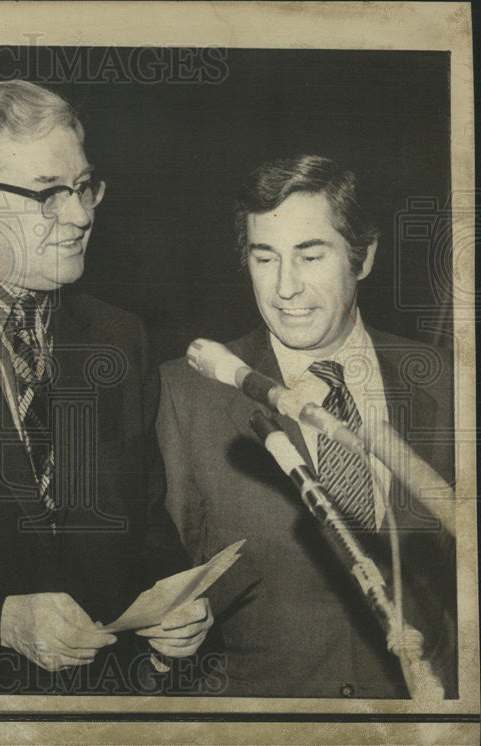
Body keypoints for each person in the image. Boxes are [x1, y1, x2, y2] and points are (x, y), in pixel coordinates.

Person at [0, 81, 216, 694]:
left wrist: (173, 597)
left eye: (85, 187)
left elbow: (143, 523)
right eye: (46, 194)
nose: (82, 215)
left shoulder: (118, 338)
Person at [157, 155, 457, 697]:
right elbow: (160, 582)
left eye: (310, 255)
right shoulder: (185, 395)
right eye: (264, 258)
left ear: (361, 258)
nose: (284, 288)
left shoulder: (450, 382)